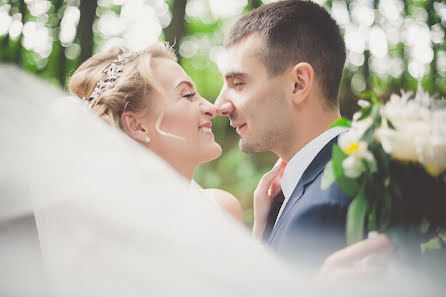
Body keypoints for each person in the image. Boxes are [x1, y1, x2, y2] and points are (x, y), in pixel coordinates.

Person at [215, 0, 351, 270]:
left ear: (298, 84)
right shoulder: (305, 187)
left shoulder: (332, 201)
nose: (220, 105)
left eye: (238, 84)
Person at [68, 43, 242, 222]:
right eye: (188, 95)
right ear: (137, 126)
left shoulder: (222, 209)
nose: (212, 108)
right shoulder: (106, 225)